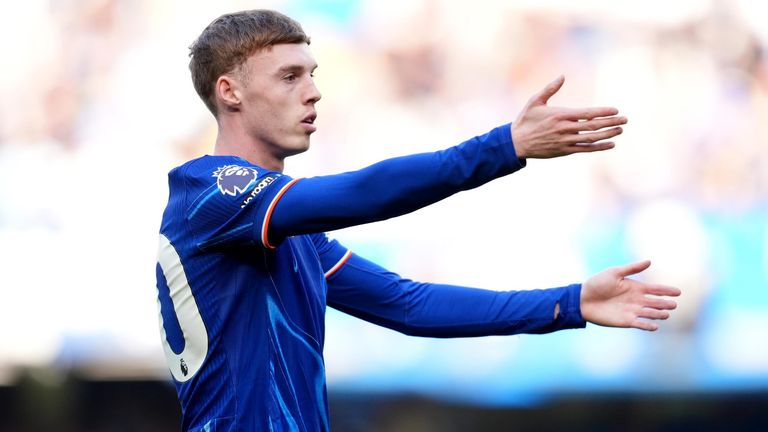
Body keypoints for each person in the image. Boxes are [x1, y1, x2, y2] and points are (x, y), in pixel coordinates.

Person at [155, 9, 681, 432]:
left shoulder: (286, 231)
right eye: (290, 76)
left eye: (312, 75)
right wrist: (503, 146)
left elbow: (408, 304)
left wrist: (569, 302)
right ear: (230, 92)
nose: (313, 92)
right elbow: (365, 194)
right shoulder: (211, 191)